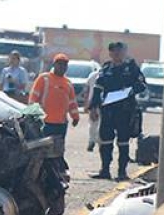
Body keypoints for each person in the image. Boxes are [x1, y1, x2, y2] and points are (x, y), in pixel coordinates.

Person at [88, 42, 147, 180]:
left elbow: (142, 85)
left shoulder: (131, 68)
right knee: (105, 140)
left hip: (125, 110)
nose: (117, 55)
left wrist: (130, 90)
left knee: (123, 142)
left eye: (119, 52)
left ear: (124, 53)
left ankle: (122, 172)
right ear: (110, 53)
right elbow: (98, 89)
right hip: (108, 110)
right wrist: (93, 107)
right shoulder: (106, 68)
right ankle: (105, 170)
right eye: (114, 52)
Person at [29, 54, 80, 154]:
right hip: (45, 122)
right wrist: (33, 115)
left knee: (58, 150)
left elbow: (72, 103)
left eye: (65, 65)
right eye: (60, 64)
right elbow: (33, 98)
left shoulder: (67, 83)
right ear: (54, 65)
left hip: (61, 124)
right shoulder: (44, 78)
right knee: (43, 150)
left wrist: (75, 117)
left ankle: (57, 168)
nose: (62, 67)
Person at [84, 68, 101, 152]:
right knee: (101, 123)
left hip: (92, 103)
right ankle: (100, 141)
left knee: (92, 123)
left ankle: (92, 141)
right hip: (103, 103)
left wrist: (86, 104)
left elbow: (86, 91)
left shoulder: (92, 75)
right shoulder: (106, 75)